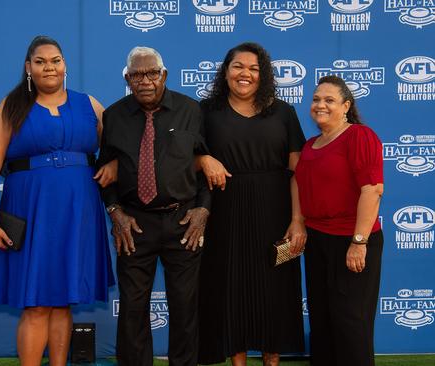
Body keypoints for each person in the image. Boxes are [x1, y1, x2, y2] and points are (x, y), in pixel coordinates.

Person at [0, 35, 114, 366]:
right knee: (37, 303)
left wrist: (112, 162)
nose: (49, 67)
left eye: (55, 60)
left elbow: (118, 146)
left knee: (63, 301)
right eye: (40, 61)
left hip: (78, 212)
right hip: (30, 210)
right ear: (28, 67)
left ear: (65, 65)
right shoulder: (10, 107)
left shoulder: (90, 105)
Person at [97, 46, 210, 366]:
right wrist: (115, 212)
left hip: (183, 221)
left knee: (185, 306)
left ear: (165, 75)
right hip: (133, 224)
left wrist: (203, 210)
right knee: (132, 308)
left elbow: (205, 166)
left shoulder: (191, 110)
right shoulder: (114, 116)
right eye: (136, 75)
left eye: (151, 73)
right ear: (127, 78)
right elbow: (105, 173)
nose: (144, 80)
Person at [197, 42, 306, 366]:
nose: (245, 73)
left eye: (253, 68)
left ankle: (272, 360)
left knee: (275, 288)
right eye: (238, 66)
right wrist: (203, 157)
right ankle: (238, 361)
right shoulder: (206, 111)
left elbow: (298, 172)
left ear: (264, 75)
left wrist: (298, 219)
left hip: (276, 212)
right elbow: (186, 157)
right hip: (225, 213)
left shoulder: (284, 112)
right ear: (225, 71)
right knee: (231, 287)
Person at [295, 75, 384, 366]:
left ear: (346, 105)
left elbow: (372, 190)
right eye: (316, 99)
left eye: (329, 100)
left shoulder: (359, 136)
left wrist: (359, 242)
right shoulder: (310, 145)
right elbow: (297, 182)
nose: (320, 104)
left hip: (352, 239)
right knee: (322, 321)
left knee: (350, 322)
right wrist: (298, 221)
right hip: (318, 239)